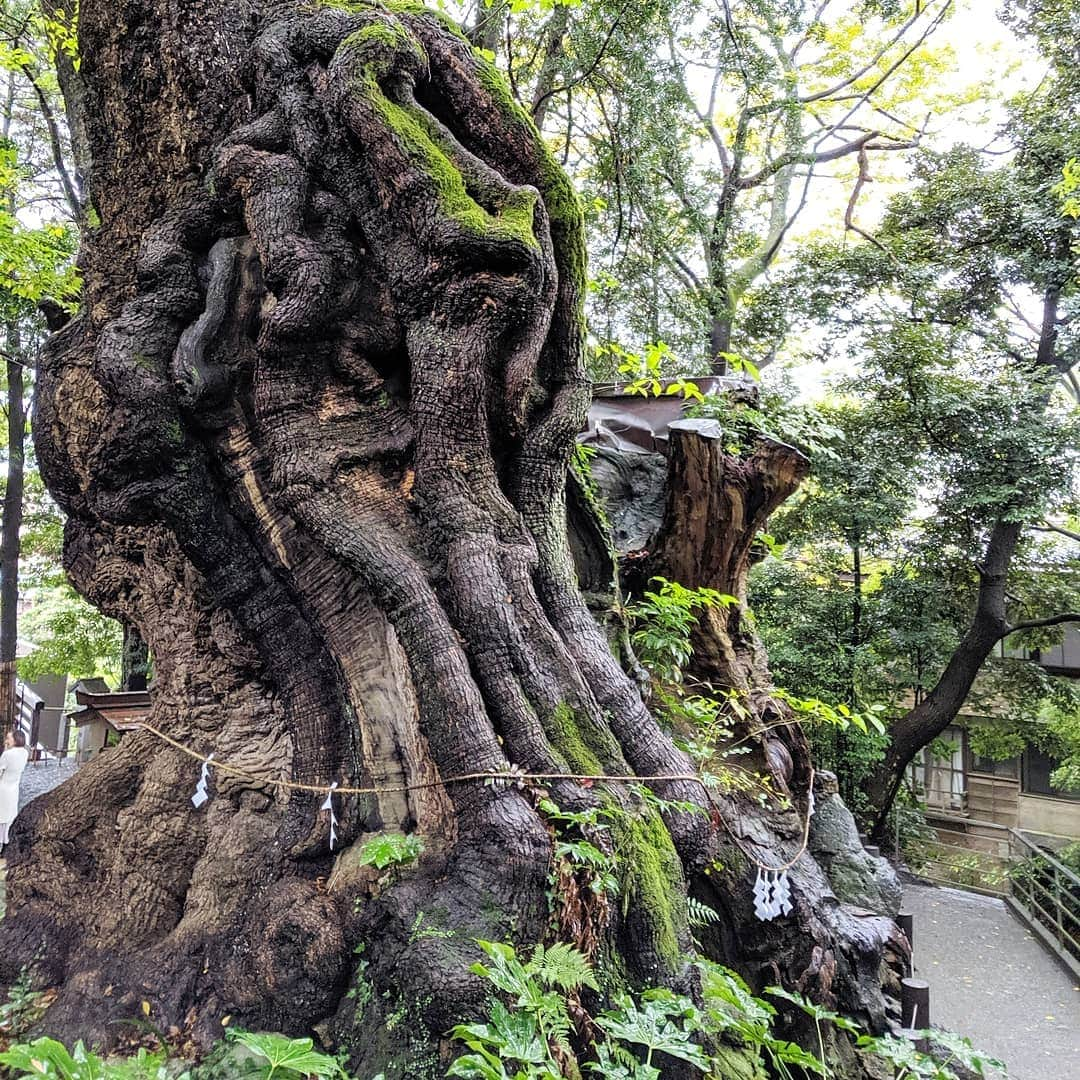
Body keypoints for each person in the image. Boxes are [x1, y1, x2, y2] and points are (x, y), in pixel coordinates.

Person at [0, 730, 29, 852]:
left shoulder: (7, 755)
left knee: (1, 817)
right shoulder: (25, 753)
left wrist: (6, 750)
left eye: (8, 738)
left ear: (15, 740)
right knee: (8, 817)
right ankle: (5, 843)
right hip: (14, 788)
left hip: (3, 788)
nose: (6, 741)